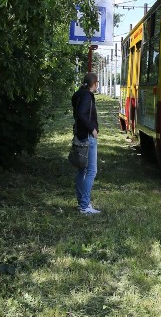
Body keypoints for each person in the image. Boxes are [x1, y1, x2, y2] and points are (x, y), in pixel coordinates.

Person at [74, 72, 100, 215]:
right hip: (87, 137)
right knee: (91, 170)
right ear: (94, 83)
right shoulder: (87, 96)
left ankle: (82, 203)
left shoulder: (78, 94)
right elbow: (82, 114)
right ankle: (84, 205)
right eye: (97, 83)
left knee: (82, 170)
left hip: (80, 135)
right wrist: (93, 129)